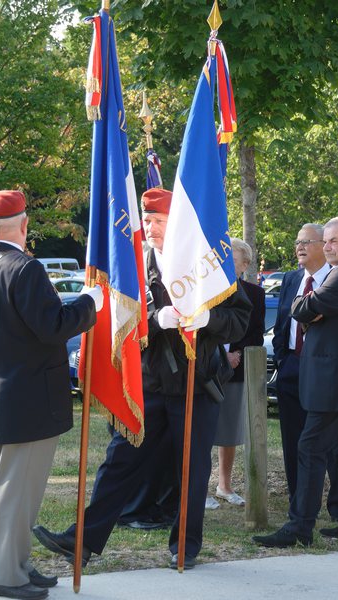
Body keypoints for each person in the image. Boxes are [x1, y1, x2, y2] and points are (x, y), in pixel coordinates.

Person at [33, 187, 251, 569]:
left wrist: (208, 319)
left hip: (196, 384)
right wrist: (153, 320)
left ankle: (184, 545)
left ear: (176, 222)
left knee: (191, 469)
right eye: (146, 220)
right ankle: (82, 540)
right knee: (120, 461)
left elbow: (240, 318)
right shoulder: (134, 263)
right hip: (149, 383)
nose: (150, 227)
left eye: (158, 220)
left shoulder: (208, 262)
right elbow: (117, 318)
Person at [0, 190, 100, 600]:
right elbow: (53, 326)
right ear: (23, 225)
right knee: (17, 494)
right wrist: (88, 304)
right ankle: (6, 575)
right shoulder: (26, 268)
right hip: (31, 398)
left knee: (10, 492)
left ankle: (17, 564)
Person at [254, 215, 338, 548]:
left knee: (310, 448)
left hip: (334, 380)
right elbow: (311, 311)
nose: (327, 247)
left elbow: (302, 308)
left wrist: (308, 307)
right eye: (324, 241)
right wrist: (313, 310)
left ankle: (300, 526)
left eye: (334, 241)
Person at [270, 223, 338, 522]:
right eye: (297, 242)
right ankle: (299, 504)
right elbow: (282, 323)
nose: (299, 247)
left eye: (306, 241)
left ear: (324, 245)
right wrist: (283, 359)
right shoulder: (291, 279)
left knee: (332, 441)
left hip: (326, 371)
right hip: (292, 366)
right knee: (293, 440)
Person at [208, 238, 266, 509]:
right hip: (205, 369)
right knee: (200, 430)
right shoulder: (206, 289)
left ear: (245, 265)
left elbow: (255, 332)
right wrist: (221, 355)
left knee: (229, 429)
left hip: (235, 370)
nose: (226, 263)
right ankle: (198, 488)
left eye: (232, 259)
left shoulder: (255, 294)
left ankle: (225, 485)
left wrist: (236, 354)